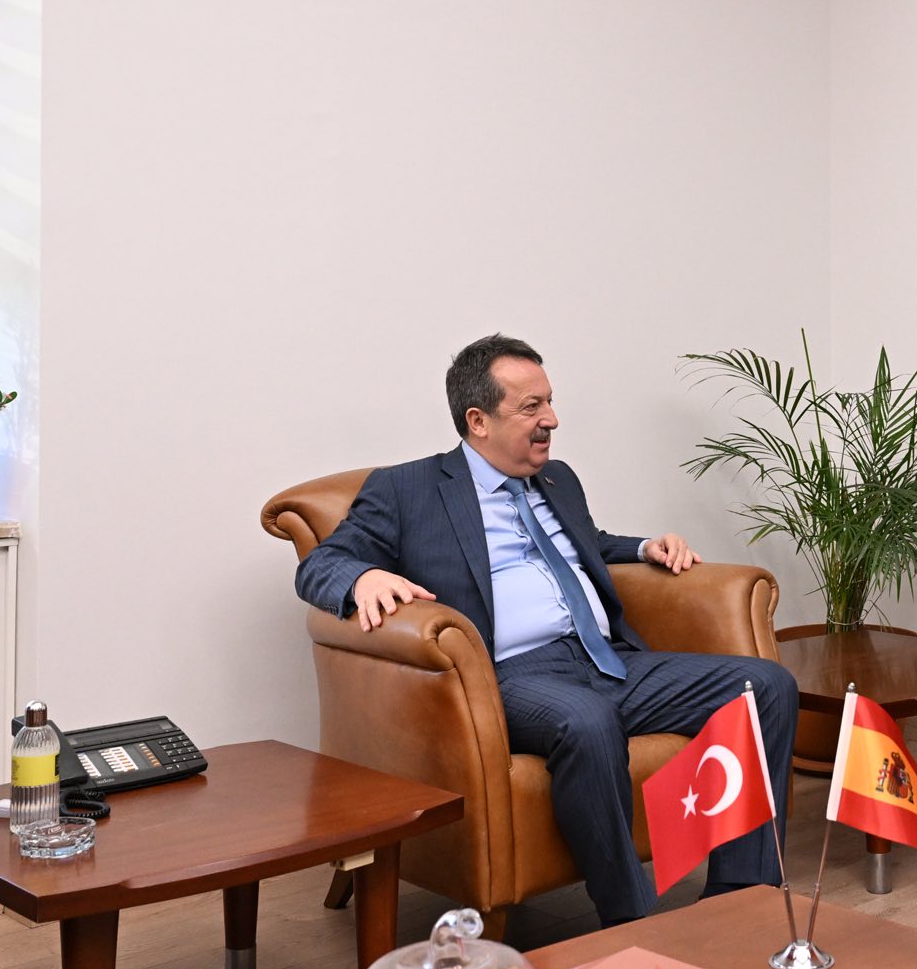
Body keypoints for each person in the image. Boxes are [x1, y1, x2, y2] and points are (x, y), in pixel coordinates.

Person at [295, 334, 799, 927]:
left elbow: (585, 545)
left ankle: (742, 892)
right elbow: (319, 566)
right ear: (478, 421)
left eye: (550, 402)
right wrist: (363, 577)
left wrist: (644, 547)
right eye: (531, 407)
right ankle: (632, 921)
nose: (551, 420)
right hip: (513, 676)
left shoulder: (557, 478)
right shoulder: (407, 490)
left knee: (765, 686)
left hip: (607, 659)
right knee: (587, 720)